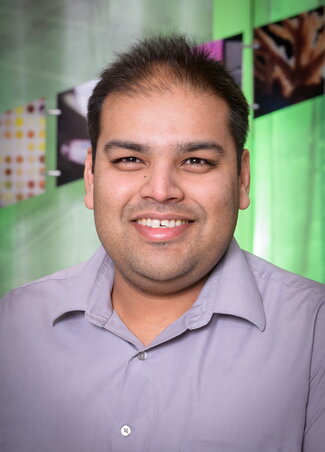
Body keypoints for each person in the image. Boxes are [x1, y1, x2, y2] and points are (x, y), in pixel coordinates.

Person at [0, 35, 324, 452]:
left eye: (196, 161)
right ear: (91, 178)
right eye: (130, 160)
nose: (161, 190)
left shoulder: (314, 333)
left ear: (242, 180)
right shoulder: (12, 326)